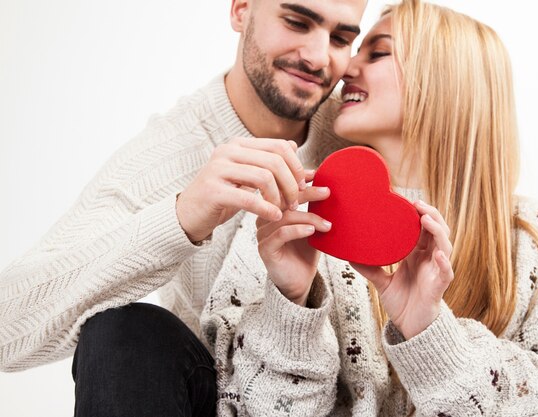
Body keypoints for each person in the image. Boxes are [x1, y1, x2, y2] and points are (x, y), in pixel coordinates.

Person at [209, 1, 538, 415]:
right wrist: (291, 300)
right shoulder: (292, 208)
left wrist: (430, 333)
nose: (347, 67)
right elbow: (239, 407)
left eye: (378, 52)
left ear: (444, 79)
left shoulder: (530, 235)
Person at [0, 0, 367, 415]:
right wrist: (181, 219)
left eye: (340, 38)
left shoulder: (365, 127)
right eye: (297, 22)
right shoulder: (170, 152)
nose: (318, 57)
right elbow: (6, 326)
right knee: (124, 331)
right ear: (241, 10)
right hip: (216, 398)